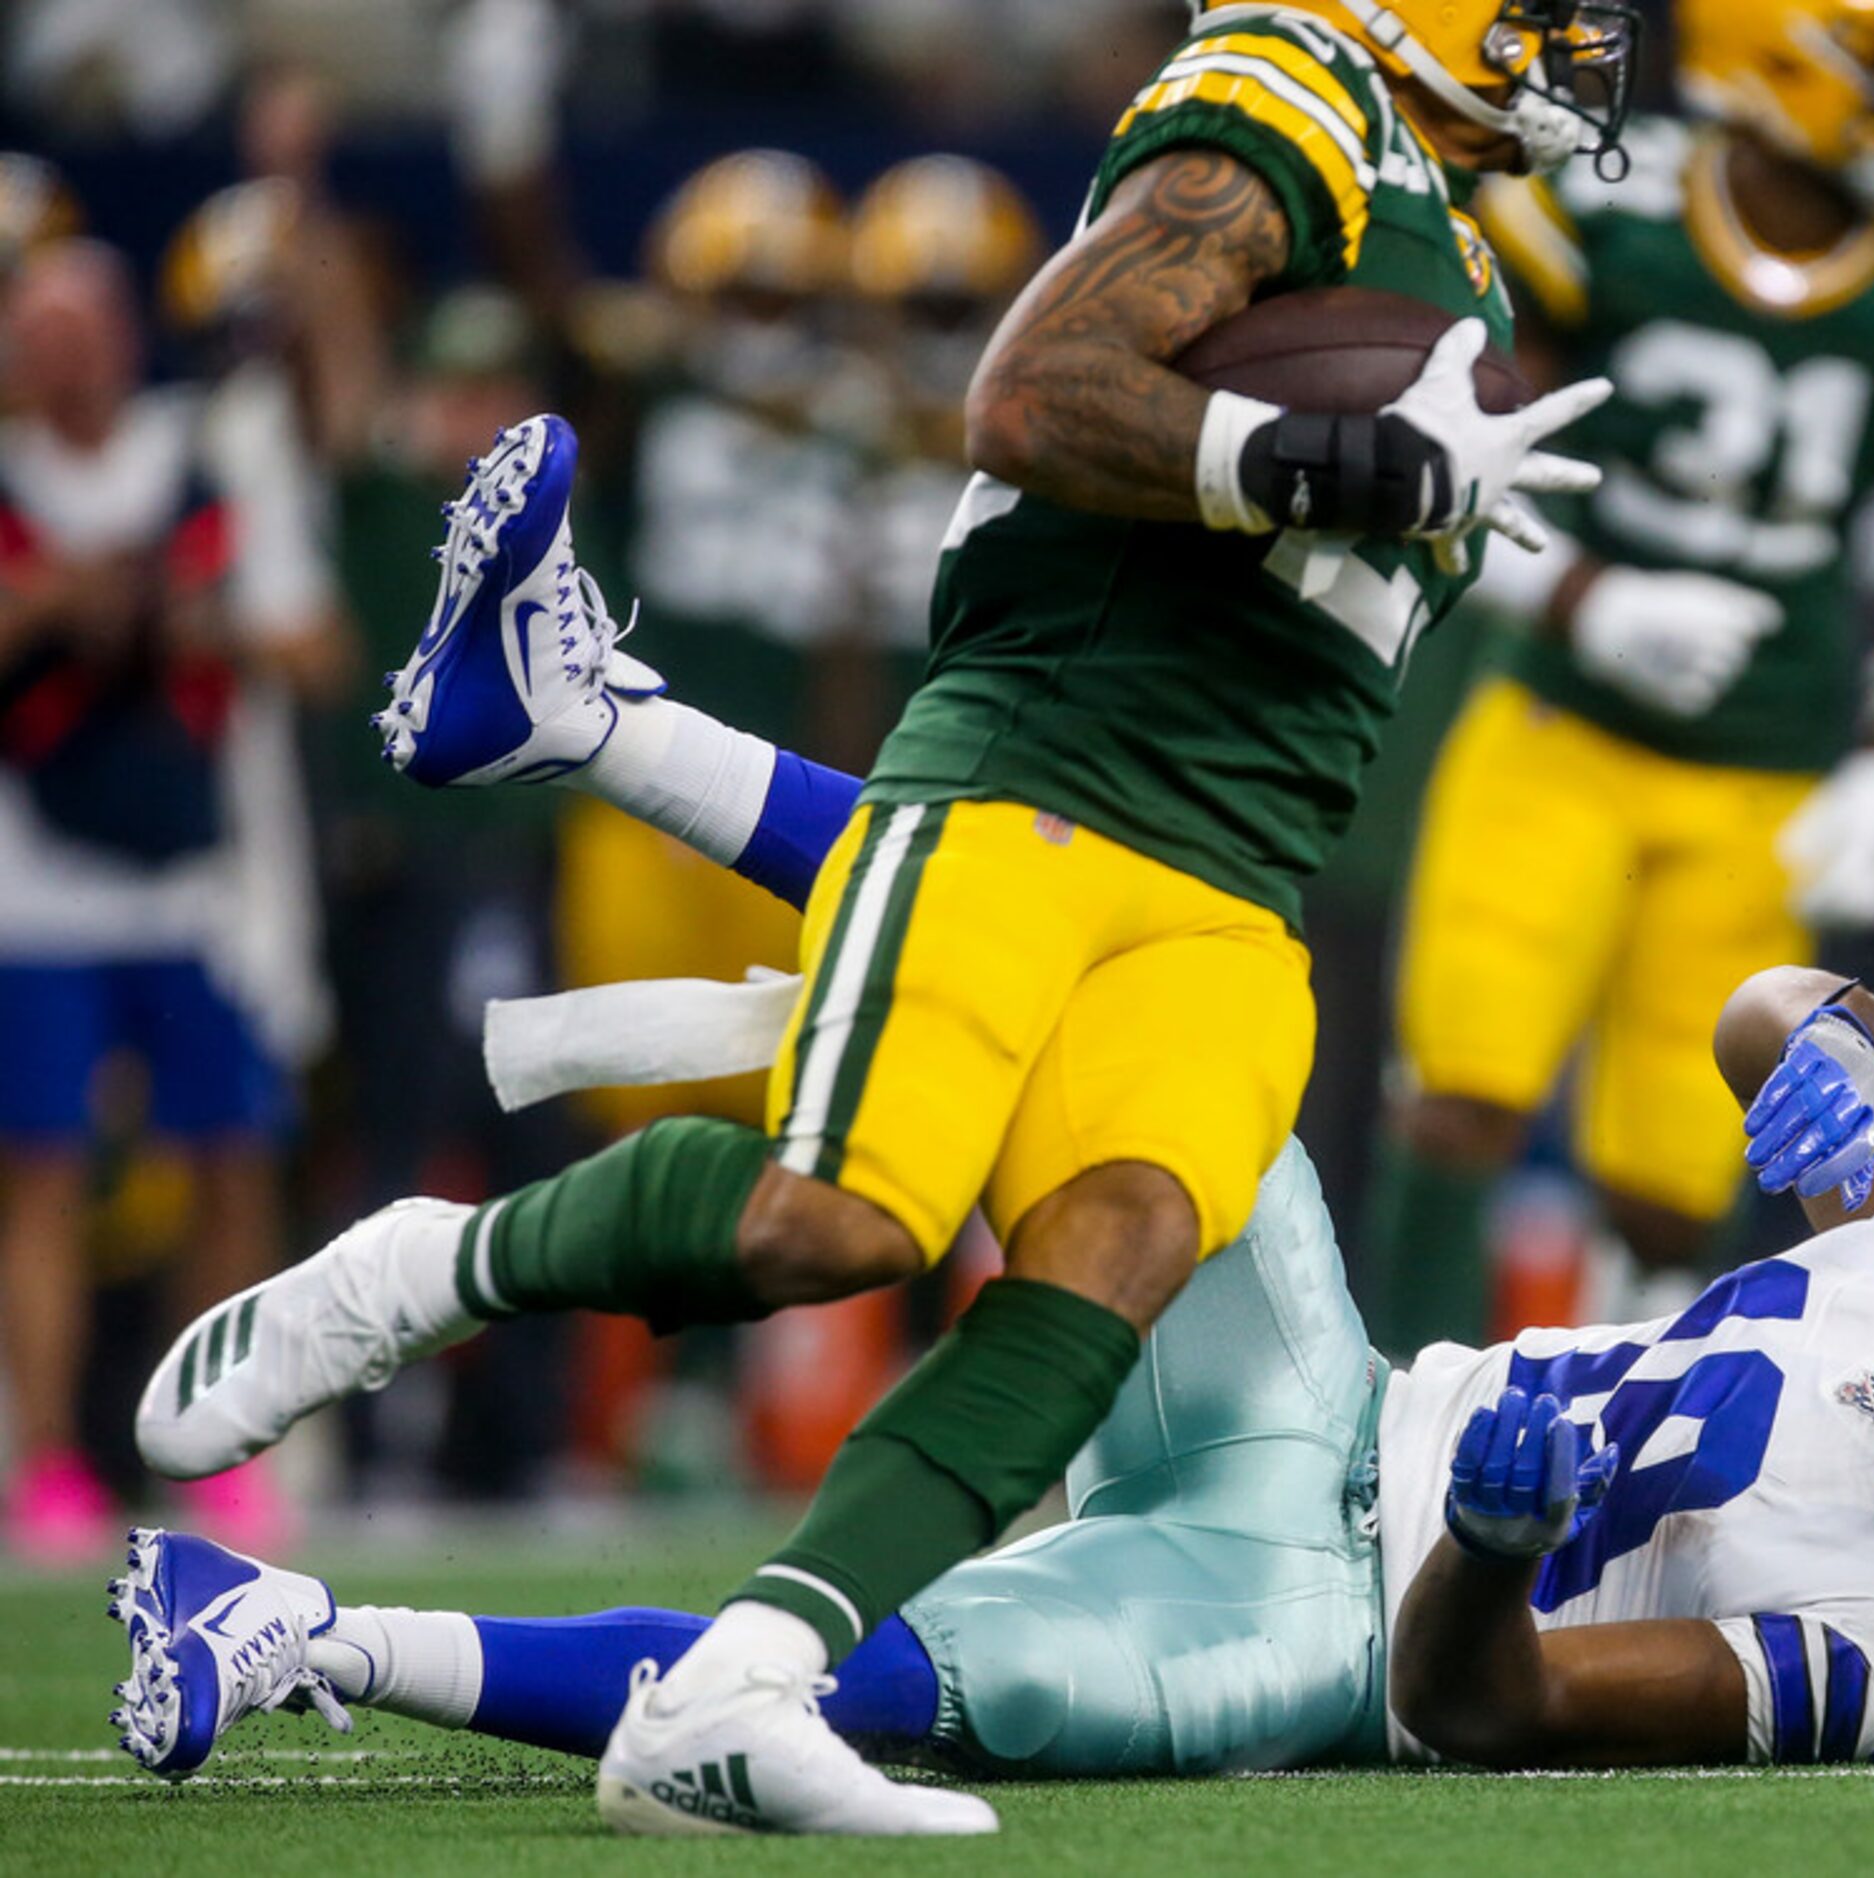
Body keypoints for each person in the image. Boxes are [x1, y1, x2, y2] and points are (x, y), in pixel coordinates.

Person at [129, 0, 1634, 1837]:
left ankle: (743, 1683)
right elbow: (1033, 391)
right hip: (1046, 769)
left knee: (1122, 1245)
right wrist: (1324, 461)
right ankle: (414, 1274)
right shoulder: (1288, 95)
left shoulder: (1457, 226)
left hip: (1243, 867)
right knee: (836, 1222)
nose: (1574, 39)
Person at [108, 956, 1874, 1793]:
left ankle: (296, 1633)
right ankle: (609, 747)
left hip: (1312, 1635)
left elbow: (1503, 1714)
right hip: (1330, 1400)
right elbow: (1799, 1008)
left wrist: (1485, 1554)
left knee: (853, 1691)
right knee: (1153, 988)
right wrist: (1817, 1045)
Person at [1366, 0, 1874, 1350]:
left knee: (1675, 1192)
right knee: (1463, 1095)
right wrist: (1588, 598)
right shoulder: (1610, 215)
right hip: (1564, 725)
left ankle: (1621, 1466)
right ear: (1785, 52)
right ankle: (1380, 1405)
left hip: (1767, 772)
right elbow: (1448, 462)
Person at [0, 241, 340, 1562]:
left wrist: (179, 618)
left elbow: (311, 649)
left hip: (195, 886)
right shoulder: (18, 483)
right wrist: (63, 603)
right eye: (46, 335)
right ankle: (45, 1461)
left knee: (233, 1160)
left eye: (89, 330)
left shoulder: (203, 461)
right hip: (37, 892)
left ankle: (225, 1447)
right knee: (39, 1175)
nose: (71, 360)